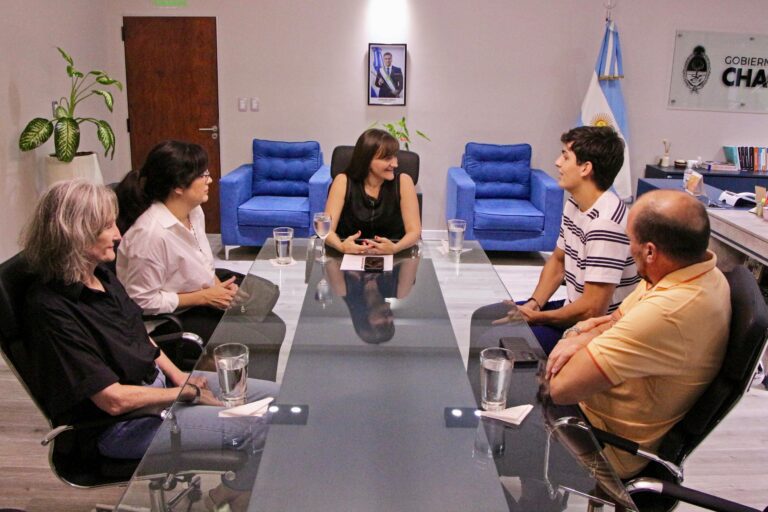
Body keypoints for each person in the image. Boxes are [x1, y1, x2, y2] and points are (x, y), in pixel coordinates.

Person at [21, 179, 279, 461]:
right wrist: (186, 392)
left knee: (281, 400)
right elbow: (114, 400)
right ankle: (234, 495)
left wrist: (178, 376)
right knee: (262, 425)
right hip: (123, 426)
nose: (118, 234)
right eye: (107, 227)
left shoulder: (101, 275)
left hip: (164, 389)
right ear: (76, 233)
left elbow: (138, 335)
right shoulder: (51, 309)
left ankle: (231, 494)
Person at [546, 189, 730, 478]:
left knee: (508, 422)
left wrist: (573, 337)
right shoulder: (696, 269)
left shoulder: (668, 312)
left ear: (650, 251)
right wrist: (581, 332)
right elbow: (615, 318)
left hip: (608, 445)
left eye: (629, 240)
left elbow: (561, 388)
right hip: (610, 412)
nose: (627, 248)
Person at [498, 126, 639, 354]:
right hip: (573, 312)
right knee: (487, 320)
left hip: (597, 330)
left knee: (507, 341)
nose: (557, 162)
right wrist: (534, 303)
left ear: (585, 168)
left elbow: (593, 309)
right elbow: (558, 262)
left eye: (565, 156)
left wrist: (539, 317)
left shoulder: (606, 223)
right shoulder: (575, 203)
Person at [116, 140, 239, 343]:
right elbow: (141, 301)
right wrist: (205, 297)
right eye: (203, 175)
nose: (209, 180)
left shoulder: (194, 211)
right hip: (170, 318)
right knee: (252, 334)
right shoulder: (150, 235)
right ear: (178, 187)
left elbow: (201, 259)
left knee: (263, 297)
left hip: (197, 292)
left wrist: (218, 287)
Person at [324, 129, 421, 255]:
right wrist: (342, 247)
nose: (395, 164)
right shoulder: (342, 181)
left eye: (394, 157)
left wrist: (395, 248)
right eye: (387, 158)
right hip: (349, 255)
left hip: (394, 256)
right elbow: (327, 230)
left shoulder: (404, 182)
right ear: (367, 160)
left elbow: (414, 232)